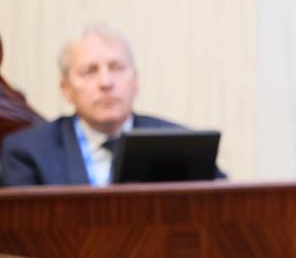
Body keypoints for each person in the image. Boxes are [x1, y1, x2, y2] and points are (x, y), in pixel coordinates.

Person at [0, 24, 223, 186]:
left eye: (117, 68)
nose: (106, 83)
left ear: (135, 81)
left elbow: (226, 205)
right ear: (66, 89)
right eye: (90, 71)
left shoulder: (180, 145)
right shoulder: (29, 151)